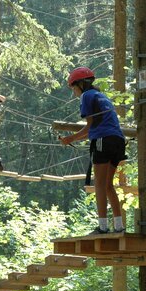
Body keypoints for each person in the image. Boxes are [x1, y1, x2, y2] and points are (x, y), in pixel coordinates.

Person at [59, 67, 126, 234]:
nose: (74, 92)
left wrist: (70, 139)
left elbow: (89, 128)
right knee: (108, 184)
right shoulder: (101, 97)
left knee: (99, 184)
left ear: (81, 84)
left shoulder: (86, 96)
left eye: (73, 88)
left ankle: (102, 227)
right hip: (118, 141)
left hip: (103, 140)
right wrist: (73, 138)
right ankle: (119, 226)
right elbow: (94, 128)